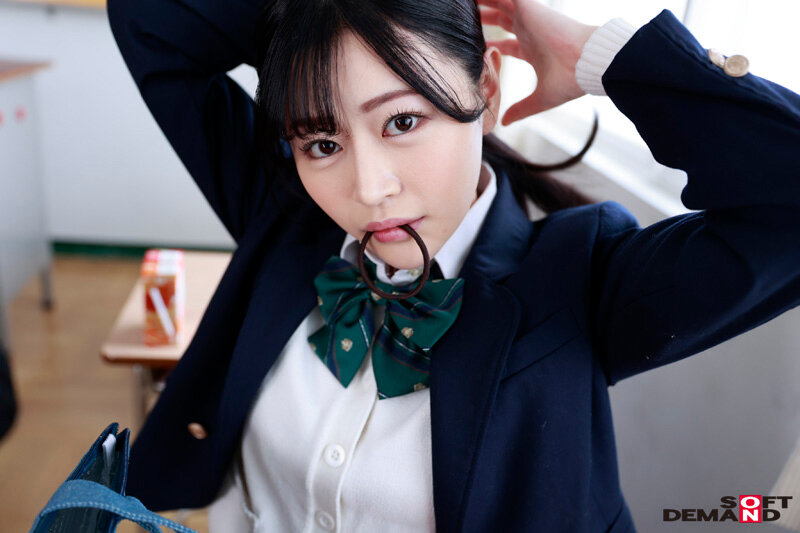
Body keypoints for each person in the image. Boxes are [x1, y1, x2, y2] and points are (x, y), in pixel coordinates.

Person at [106, 0, 800, 530]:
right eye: (322, 142)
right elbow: (149, 19)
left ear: (487, 91)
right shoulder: (286, 216)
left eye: (402, 121)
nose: (368, 189)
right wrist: (313, 18)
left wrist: (602, 55)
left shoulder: (579, 279)